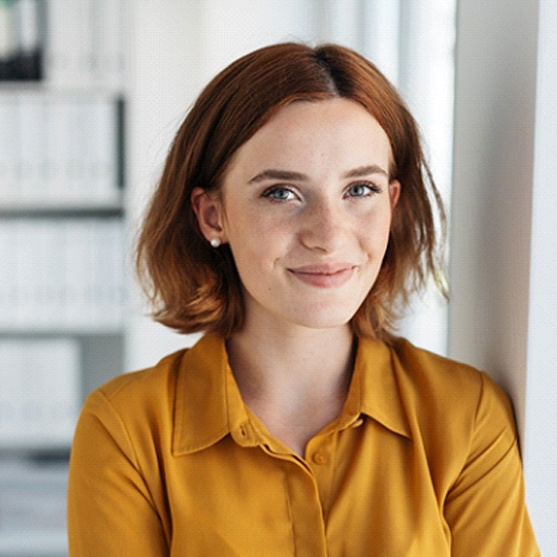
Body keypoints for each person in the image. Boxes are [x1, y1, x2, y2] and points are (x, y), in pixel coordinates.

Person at [67, 42, 540, 556]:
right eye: (282, 193)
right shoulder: (126, 430)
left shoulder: (464, 415)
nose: (328, 234)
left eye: (360, 189)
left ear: (393, 203)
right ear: (212, 216)